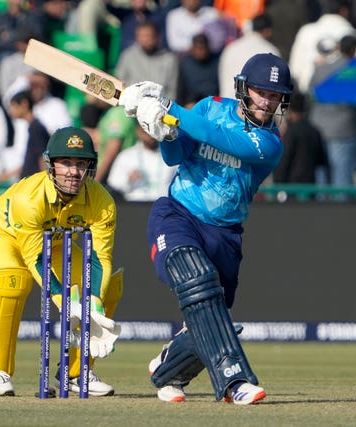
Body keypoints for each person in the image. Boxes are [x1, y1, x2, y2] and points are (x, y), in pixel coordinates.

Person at [118, 52, 293, 404]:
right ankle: (234, 382)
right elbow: (176, 155)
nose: (267, 101)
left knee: (212, 316)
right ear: (243, 88)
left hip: (225, 234)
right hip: (179, 214)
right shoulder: (210, 106)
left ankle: (167, 371)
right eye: (261, 92)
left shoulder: (270, 143)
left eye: (274, 96)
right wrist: (165, 132)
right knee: (197, 279)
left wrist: (167, 106)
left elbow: (219, 138)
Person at [0, 126, 121, 397]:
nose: (73, 172)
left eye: (80, 164)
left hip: (51, 241)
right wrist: (68, 303)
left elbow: (99, 258)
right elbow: (34, 258)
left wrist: (93, 307)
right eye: (65, 163)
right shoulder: (28, 199)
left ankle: (76, 373)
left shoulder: (102, 201)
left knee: (106, 289)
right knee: (12, 280)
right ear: (50, 164)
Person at [309, 35, 356, 190]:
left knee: (321, 178)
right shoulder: (354, 72)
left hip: (317, 128)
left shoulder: (321, 69)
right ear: (354, 49)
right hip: (343, 131)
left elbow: (310, 97)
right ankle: (340, 213)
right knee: (342, 180)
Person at [288, 0, 356, 96]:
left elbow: (294, 70)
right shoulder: (354, 36)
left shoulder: (306, 31)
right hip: (345, 100)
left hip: (308, 99)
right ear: (344, 10)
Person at [107, 124, 177, 201]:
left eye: (154, 131)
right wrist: (128, 179)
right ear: (138, 132)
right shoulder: (126, 156)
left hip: (163, 206)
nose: (150, 135)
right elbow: (113, 185)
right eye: (146, 131)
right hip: (135, 206)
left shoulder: (171, 155)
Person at [217, 12, 280, 99]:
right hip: (253, 109)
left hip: (226, 106)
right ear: (268, 31)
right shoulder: (271, 51)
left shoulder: (231, 48)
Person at [115, 20, 179, 101]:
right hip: (130, 105)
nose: (145, 40)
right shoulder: (127, 55)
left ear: (157, 37)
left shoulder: (169, 59)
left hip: (158, 106)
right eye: (141, 36)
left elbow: (172, 90)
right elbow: (119, 82)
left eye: (148, 36)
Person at [273, 92, 328, 185]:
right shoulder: (314, 131)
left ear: (290, 110)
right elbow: (322, 162)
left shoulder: (291, 132)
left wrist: (278, 183)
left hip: (292, 187)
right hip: (311, 185)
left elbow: (284, 160)